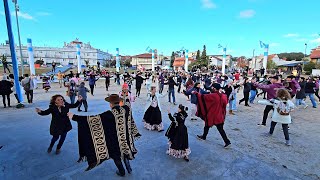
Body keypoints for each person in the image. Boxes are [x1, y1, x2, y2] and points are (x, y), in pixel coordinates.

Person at [67, 94, 141, 176]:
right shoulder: (126, 109)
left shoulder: (109, 114)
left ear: (110, 104)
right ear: (119, 102)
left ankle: (122, 172)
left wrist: (74, 117)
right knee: (125, 152)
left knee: (116, 156)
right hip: (125, 138)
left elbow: (92, 119)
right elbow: (127, 104)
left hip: (114, 141)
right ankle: (129, 168)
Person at [195, 83, 231, 148]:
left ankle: (204, 136)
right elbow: (226, 102)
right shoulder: (223, 95)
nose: (211, 88)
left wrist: (196, 93)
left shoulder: (214, 95)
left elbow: (202, 97)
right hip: (220, 115)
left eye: (212, 87)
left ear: (214, 88)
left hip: (213, 114)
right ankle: (227, 141)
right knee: (219, 129)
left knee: (207, 125)